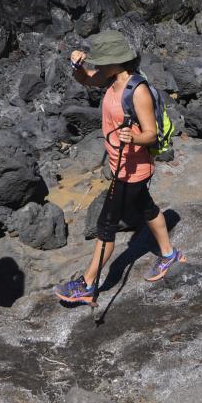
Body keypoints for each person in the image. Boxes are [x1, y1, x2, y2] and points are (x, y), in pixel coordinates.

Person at [54, 30, 184, 304]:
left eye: (101, 59)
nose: (97, 64)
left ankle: (88, 284)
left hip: (132, 170)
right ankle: (169, 253)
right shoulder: (111, 77)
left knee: (105, 226)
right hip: (120, 163)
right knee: (146, 208)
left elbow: (150, 133)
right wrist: (76, 66)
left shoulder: (138, 91)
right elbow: (87, 80)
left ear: (116, 61)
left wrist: (133, 137)